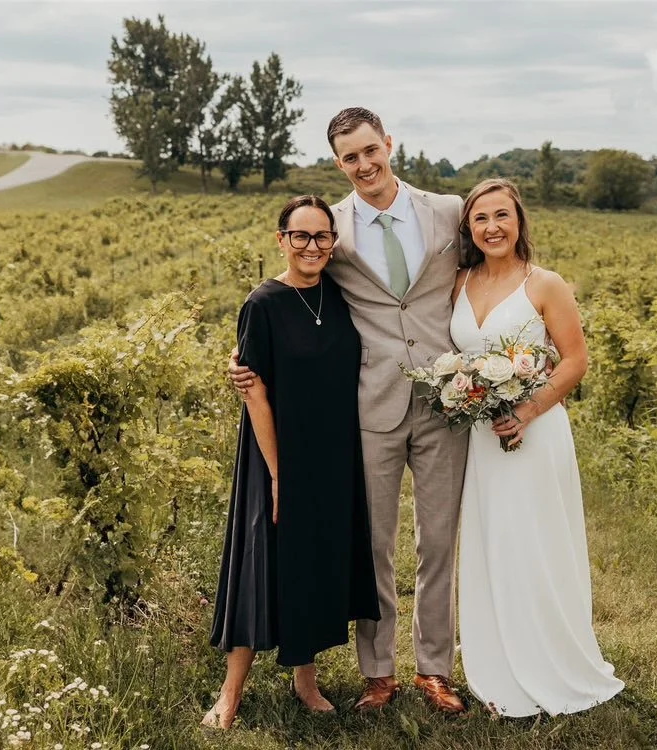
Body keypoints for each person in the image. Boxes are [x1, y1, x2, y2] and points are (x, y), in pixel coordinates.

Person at [230, 107, 469, 713]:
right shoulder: (327, 227)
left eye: (370, 150)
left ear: (389, 144)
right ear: (339, 163)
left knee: (439, 541)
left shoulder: (447, 211)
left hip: (445, 402)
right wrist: (246, 352)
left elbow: (495, 262)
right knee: (375, 545)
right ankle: (379, 672)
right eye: (349, 157)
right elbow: (289, 285)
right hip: (369, 406)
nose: (364, 165)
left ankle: (435, 669)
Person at [204, 195, 380, 729]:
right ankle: (230, 693)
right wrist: (279, 475)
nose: (312, 246)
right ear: (281, 240)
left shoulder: (338, 293)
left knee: (315, 564)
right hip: (277, 456)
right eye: (300, 236)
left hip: (331, 453)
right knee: (262, 565)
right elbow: (254, 391)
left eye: (322, 236)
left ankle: (306, 678)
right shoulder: (263, 303)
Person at [451, 177, 624, 716]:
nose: (492, 227)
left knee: (536, 542)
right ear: (469, 229)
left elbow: (574, 360)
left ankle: (550, 659)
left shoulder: (545, 284)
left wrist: (525, 411)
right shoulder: (459, 281)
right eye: (481, 219)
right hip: (481, 436)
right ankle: (496, 654)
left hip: (534, 430)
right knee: (491, 541)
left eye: (502, 215)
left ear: (519, 221)